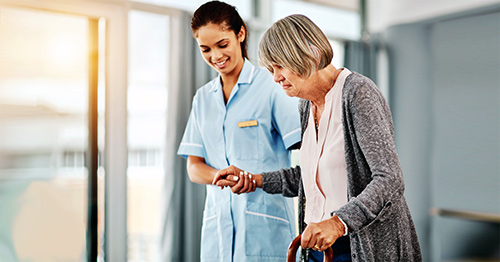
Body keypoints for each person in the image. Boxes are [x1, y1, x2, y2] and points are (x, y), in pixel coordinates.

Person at [213, 14, 422, 262]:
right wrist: (255, 180)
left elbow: (390, 180)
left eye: (280, 66)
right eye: (271, 69)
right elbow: (310, 177)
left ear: (308, 54)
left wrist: (338, 223)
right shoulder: (306, 105)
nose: (275, 77)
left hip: (358, 247)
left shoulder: (358, 93)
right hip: (318, 248)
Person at [177, 2, 302, 261]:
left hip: (268, 231)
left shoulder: (271, 86)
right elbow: (194, 166)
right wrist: (219, 176)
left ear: (240, 34)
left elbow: (306, 151)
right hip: (217, 237)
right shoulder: (202, 99)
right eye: (206, 49)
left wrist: (256, 178)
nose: (215, 56)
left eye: (222, 45)